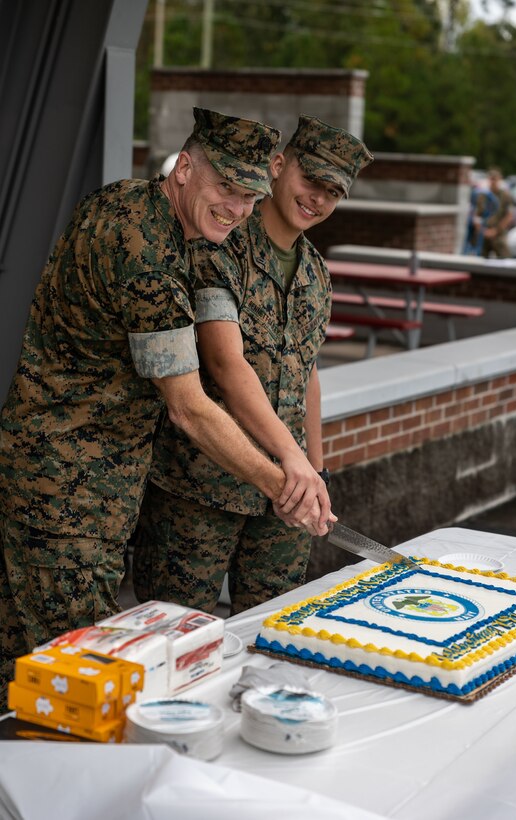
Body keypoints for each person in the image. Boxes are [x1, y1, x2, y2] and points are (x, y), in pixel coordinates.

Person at [0, 108, 333, 709]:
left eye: (250, 195)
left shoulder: (139, 208)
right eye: (226, 188)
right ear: (184, 169)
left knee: (22, 672)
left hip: (77, 481)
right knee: (78, 680)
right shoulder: (146, 254)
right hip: (66, 493)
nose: (237, 209)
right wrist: (282, 484)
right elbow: (190, 407)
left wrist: (295, 458)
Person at [133, 115, 373, 615]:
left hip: (283, 498)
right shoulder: (220, 244)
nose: (318, 199)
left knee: (277, 629)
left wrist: (316, 471)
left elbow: (307, 375)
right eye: (311, 180)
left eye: (333, 192)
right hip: (198, 488)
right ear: (278, 166)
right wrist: (293, 463)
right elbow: (225, 363)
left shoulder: (315, 272)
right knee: (174, 633)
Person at [482, 168, 514, 258]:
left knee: (505, 259)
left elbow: (509, 215)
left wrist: (496, 230)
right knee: (480, 259)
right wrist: (482, 230)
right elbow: (477, 214)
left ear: (499, 179)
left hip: (498, 232)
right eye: (490, 179)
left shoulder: (505, 196)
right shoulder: (484, 195)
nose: (492, 182)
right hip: (484, 232)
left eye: (494, 179)